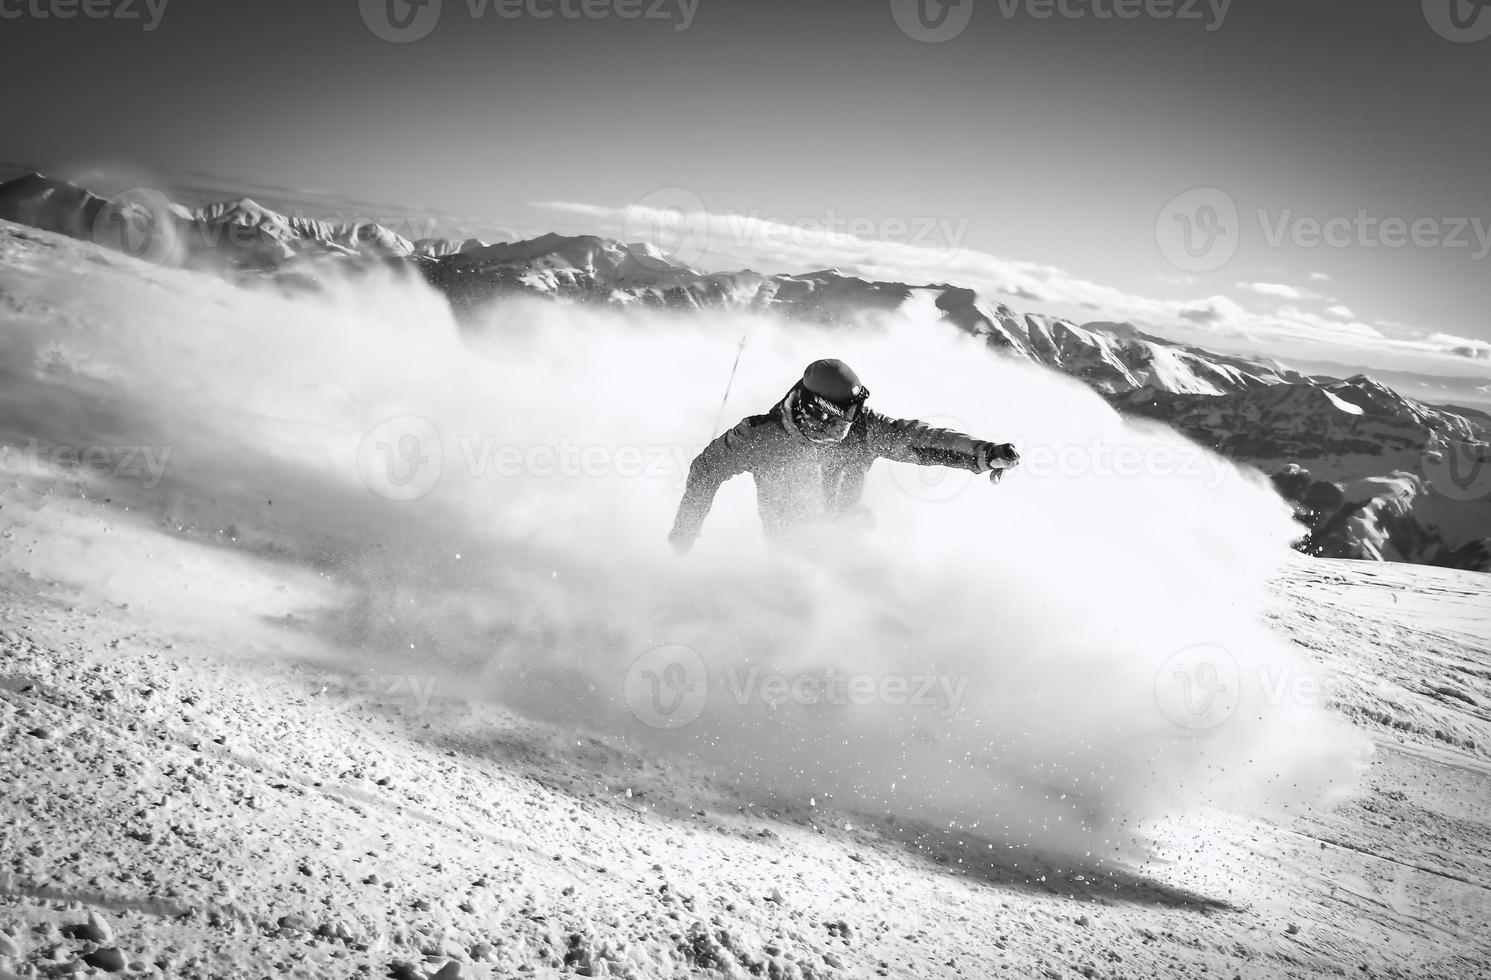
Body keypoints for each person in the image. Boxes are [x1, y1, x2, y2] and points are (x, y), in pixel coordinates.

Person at [669, 358, 1019, 552]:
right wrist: (685, 534)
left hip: (848, 548)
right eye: (846, 413)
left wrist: (981, 454)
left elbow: (919, 440)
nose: (854, 421)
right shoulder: (762, 437)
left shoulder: (864, 428)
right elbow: (705, 470)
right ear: (819, 410)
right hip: (789, 559)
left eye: (857, 409)